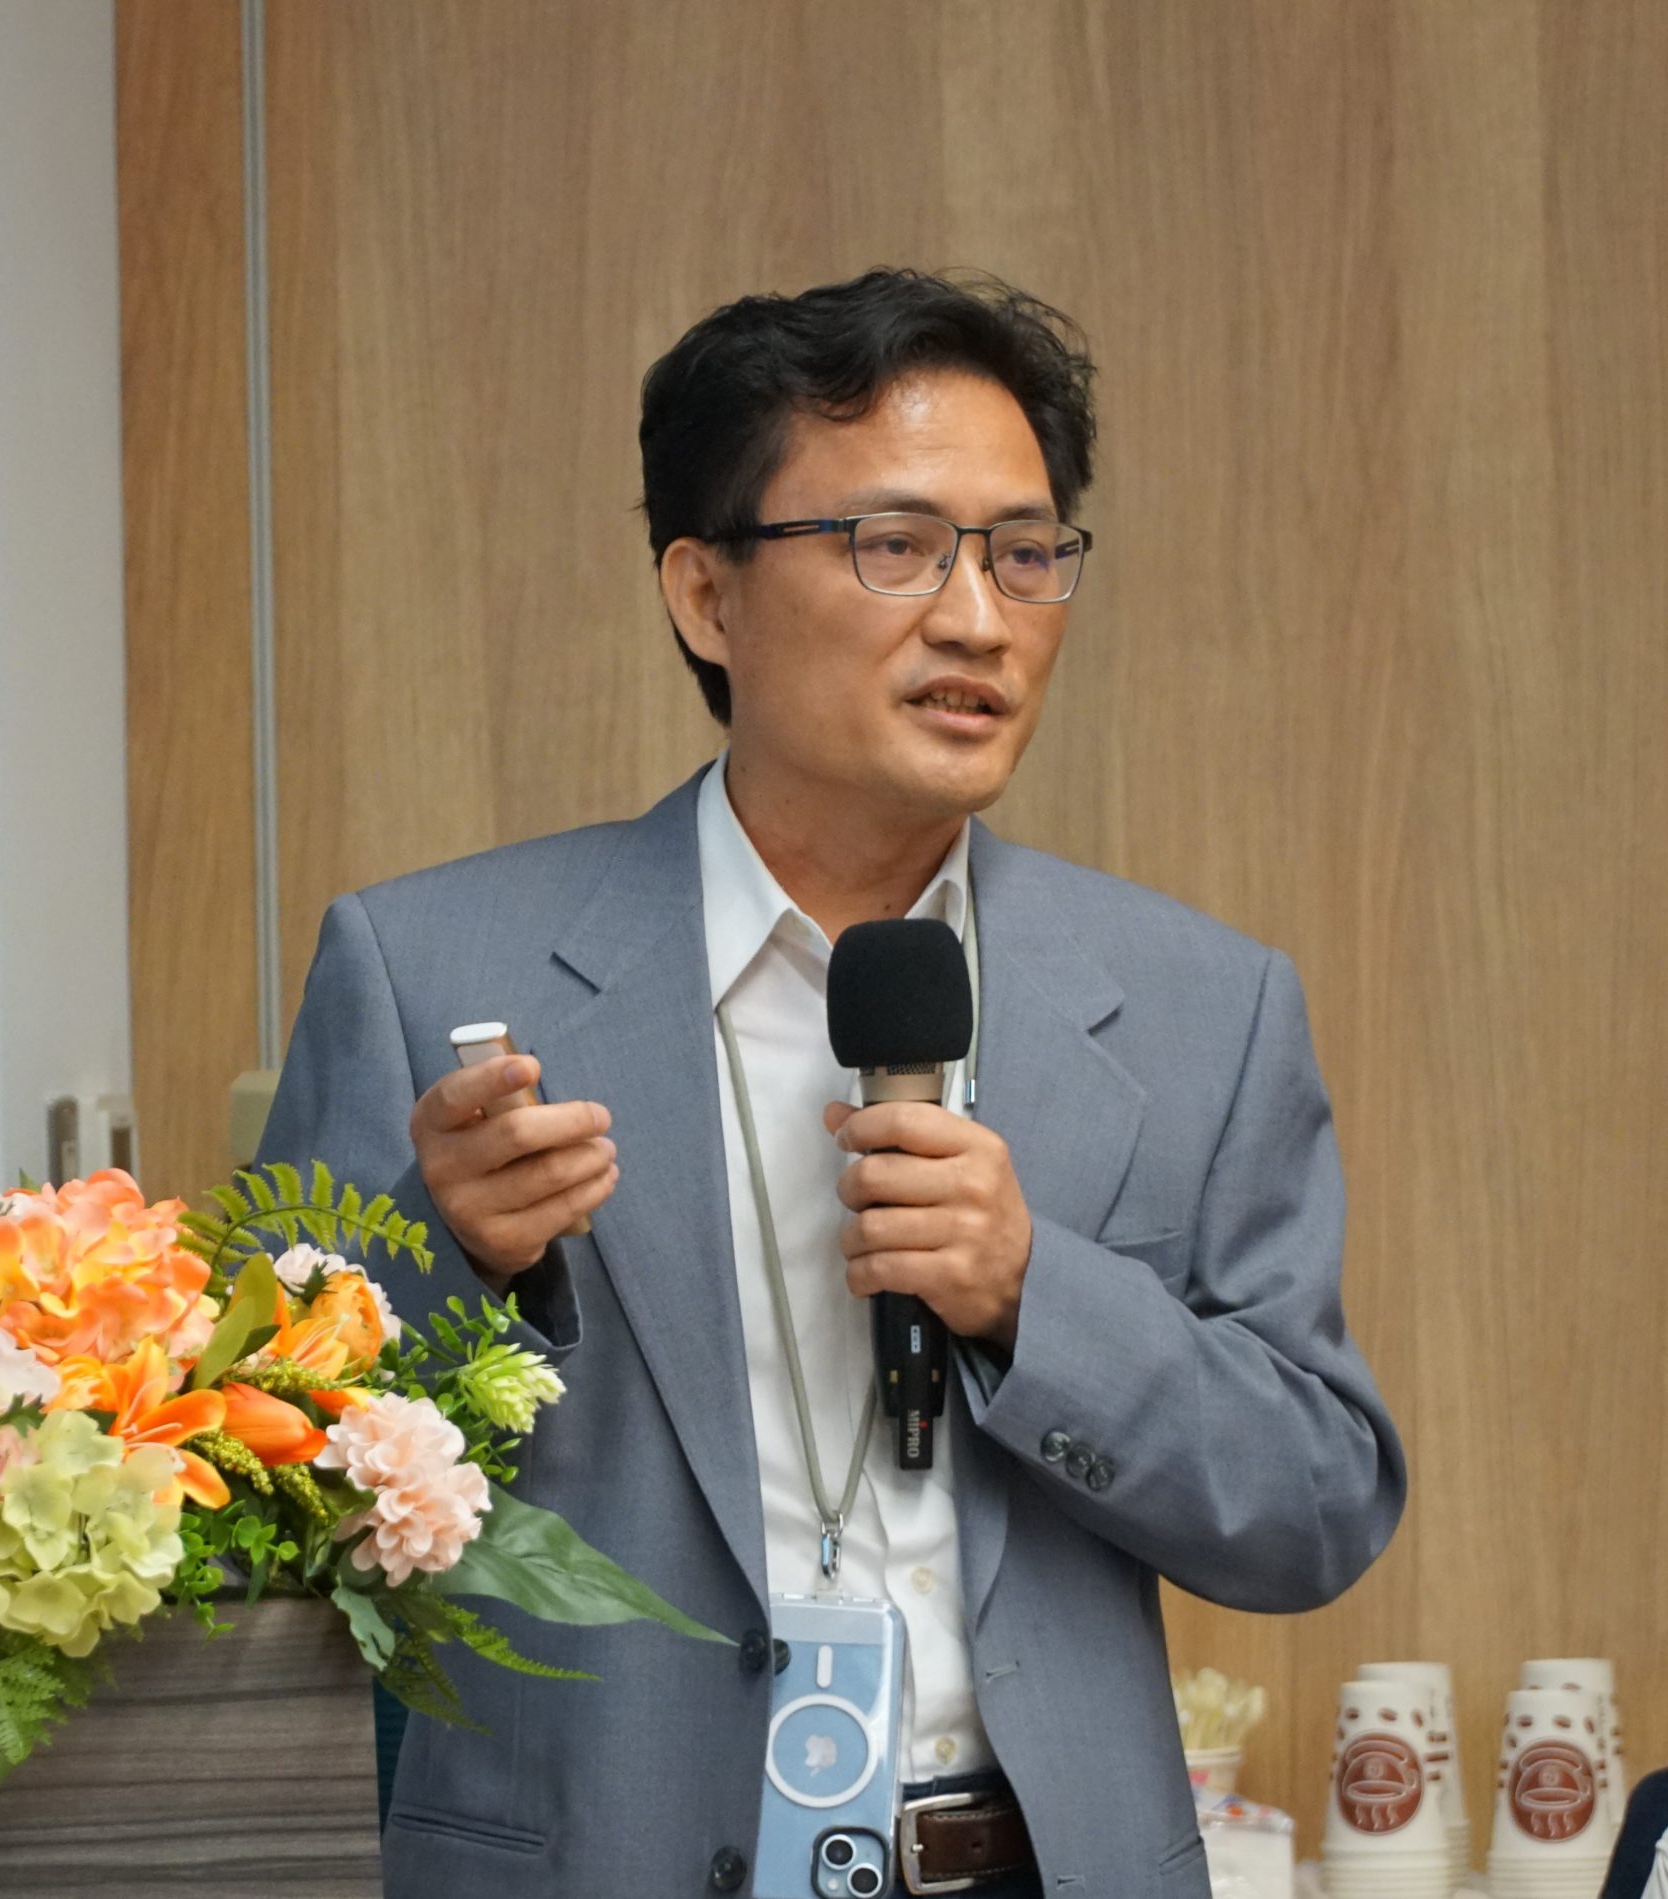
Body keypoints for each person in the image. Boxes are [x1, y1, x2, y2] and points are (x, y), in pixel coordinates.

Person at [258, 269, 1405, 1897]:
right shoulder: (429, 970)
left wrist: (1034, 1297)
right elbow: (255, 1502)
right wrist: (456, 1263)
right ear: (706, 596)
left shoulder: (1198, 1007)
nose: (979, 618)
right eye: (895, 545)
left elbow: (1316, 1510)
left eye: (1025, 553)